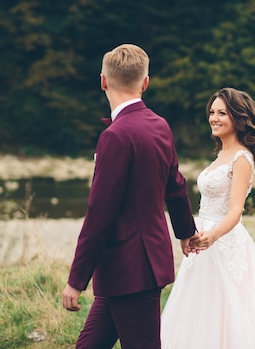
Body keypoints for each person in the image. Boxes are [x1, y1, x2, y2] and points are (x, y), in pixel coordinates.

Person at [62, 43, 198, 349]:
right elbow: (176, 185)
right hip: (126, 270)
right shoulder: (159, 125)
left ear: (103, 80)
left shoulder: (115, 136)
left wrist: (76, 280)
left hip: (131, 271)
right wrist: (186, 232)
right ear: (146, 82)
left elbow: (100, 215)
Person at [160, 87, 255, 348]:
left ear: (238, 118)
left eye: (222, 113)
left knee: (230, 311)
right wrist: (191, 234)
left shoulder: (241, 158)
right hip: (201, 239)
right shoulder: (221, 156)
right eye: (212, 112)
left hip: (223, 242)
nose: (214, 118)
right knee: (202, 309)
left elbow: (236, 211)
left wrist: (213, 236)